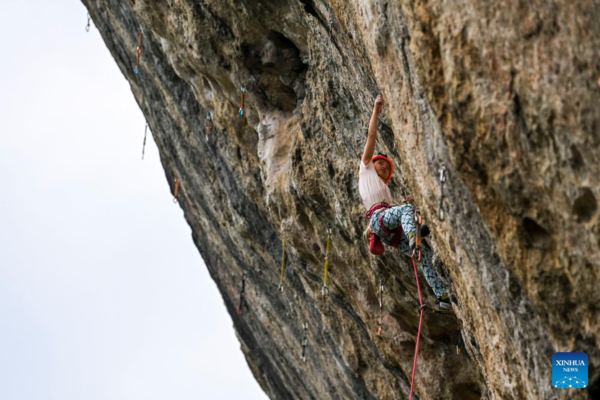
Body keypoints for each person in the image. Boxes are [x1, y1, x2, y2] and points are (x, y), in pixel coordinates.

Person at [358, 95, 451, 313]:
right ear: (372, 164)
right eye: (381, 164)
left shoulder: (384, 191)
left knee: (424, 255)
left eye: (386, 168)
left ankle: (443, 297)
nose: (383, 168)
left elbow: (396, 213)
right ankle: (414, 237)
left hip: (390, 231)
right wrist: (375, 109)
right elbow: (371, 136)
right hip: (380, 221)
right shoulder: (365, 169)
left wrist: (407, 203)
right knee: (406, 212)